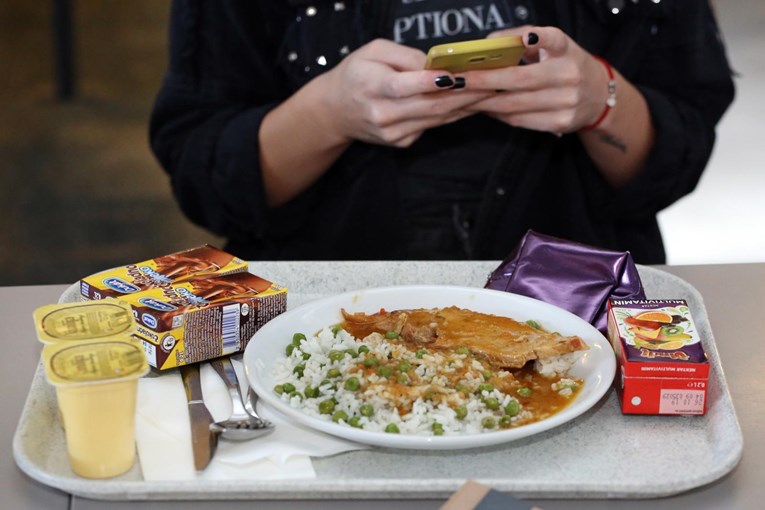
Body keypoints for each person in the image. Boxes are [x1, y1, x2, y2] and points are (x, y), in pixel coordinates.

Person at [149, 0, 734, 264]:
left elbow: (676, 156)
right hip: (319, 318)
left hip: (577, 321)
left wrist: (601, 98)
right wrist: (328, 113)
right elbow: (207, 176)